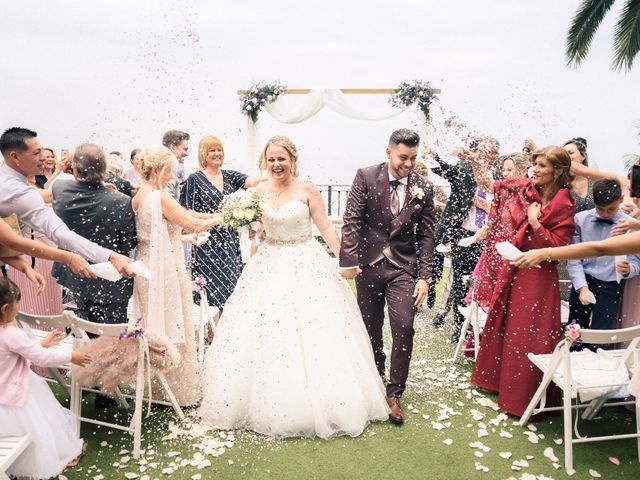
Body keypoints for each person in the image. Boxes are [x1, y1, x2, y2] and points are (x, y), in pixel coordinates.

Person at [199, 136, 389, 438]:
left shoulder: (307, 190)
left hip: (306, 260)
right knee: (265, 328)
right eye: (271, 159)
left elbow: (325, 226)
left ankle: (322, 401)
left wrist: (344, 259)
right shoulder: (256, 191)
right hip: (268, 261)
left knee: (315, 328)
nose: (276, 165)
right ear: (265, 162)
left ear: (292, 161)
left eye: (282, 159)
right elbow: (256, 228)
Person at [470, 146, 576, 418]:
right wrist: (475, 162)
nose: (536, 169)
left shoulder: (564, 201)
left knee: (530, 334)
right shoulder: (529, 188)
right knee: (509, 325)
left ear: (559, 171)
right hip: (516, 267)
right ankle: (502, 386)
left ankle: (523, 399)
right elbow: (494, 185)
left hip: (539, 277)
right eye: (535, 164)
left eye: (542, 165)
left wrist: (535, 223)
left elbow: (559, 246)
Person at [339, 128, 436, 423]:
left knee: (404, 326)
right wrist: (349, 261)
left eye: (413, 158)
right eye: (403, 157)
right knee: (370, 328)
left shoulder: (424, 187)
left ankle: (395, 392)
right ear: (389, 152)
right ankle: (375, 378)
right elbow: (352, 220)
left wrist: (425, 276)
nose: (408, 164)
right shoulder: (366, 176)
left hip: (403, 268)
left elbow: (427, 236)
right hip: (368, 266)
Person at [132, 145, 220, 406]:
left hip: (146, 266)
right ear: (158, 170)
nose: (170, 177)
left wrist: (183, 237)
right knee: (174, 321)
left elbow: (152, 234)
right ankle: (181, 393)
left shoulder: (138, 196)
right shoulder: (160, 196)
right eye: (168, 172)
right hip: (166, 270)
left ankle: (156, 389)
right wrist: (225, 216)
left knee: (154, 321)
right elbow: (194, 222)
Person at [0, 127, 134, 277]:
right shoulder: (16, 191)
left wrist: (87, 189)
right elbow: (57, 231)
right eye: (37, 153)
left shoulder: (7, 180)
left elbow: (39, 194)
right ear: (15, 157)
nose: (44, 157)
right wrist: (110, 256)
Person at [0, 277, 92, 479]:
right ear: (6, 308)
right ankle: (49, 459)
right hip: (20, 396)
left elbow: (11, 354)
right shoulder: (12, 334)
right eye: (18, 303)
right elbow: (41, 359)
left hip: (2, 401)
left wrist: (41, 343)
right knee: (41, 428)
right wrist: (71, 356)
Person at [51, 144, 138, 324]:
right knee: (112, 338)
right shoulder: (120, 201)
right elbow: (127, 244)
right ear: (105, 170)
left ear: (75, 170)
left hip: (76, 275)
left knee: (85, 327)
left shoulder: (60, 189)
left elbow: (74, 182)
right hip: (110, 279)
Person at [180, 135, 265, 312]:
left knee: (232, 285)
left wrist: (271, 169)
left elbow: (254, 181)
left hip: (229, 243)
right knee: (210, 289)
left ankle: (227, 331)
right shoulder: (194, 179)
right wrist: (216, 217)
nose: (217, 153)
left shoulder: (230, 176)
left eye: (220, 150)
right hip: (206, 242)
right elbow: (185, 212)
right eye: (212, 150)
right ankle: (212, 332)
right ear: (204, 154)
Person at [567, 178, 640, 333]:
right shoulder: (580, 219)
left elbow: (636, 262)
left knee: (601, 336)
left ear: (621, 199)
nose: (605, 214)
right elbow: (574, 259)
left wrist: (629, 269)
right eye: (601, 209)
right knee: (573, 334)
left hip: (610, 287)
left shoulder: (630, 224)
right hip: (583, 281)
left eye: (611, 209)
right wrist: (582, 288)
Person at [162, 130, 190, 199]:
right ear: (173, 147)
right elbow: (168, 196)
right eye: (185, 149)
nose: (187, 154)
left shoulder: (163, 162)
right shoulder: (170, 164)